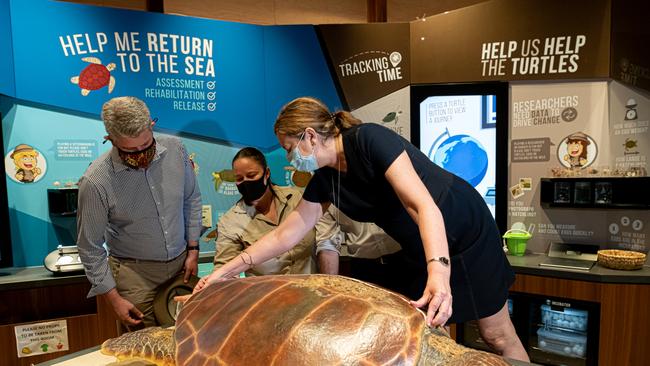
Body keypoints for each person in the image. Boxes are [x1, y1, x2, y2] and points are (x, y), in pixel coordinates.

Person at [194, 97, 529, 361]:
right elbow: (288, 233)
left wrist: (439, 271)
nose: (289, 157)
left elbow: (421, 205)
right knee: (424, 338)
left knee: (496, 335)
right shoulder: (326, 178)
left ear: (310, 136)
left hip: (462, 229)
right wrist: (226, 270)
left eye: (288, 147)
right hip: (420, 246)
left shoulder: (369, 139)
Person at [77, 96, 202, 330]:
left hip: (181, 264)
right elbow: (90, 247)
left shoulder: (176, 149)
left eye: (146, 145)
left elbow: (191, 199)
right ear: (110, 139)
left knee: (189, 335)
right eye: (129, 150)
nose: (141, 154)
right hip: (134, 274)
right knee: (147, 346)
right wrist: (113, 298)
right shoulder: (95, 182)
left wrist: (193, 248)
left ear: (151, 126)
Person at [213, 147, 317, 276]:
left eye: (251, 175)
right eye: (239, 178)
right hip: (268, 295)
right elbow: (224, 271)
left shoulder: (298, 200)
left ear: (266, 173)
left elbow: (326, 240)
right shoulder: (229, 223)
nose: (246, 182)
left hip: (310, 290)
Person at [316, 205, 420, 294]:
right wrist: (329, 290)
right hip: (363, 268)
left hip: (406, 259)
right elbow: (328, 246)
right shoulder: (326, 193)